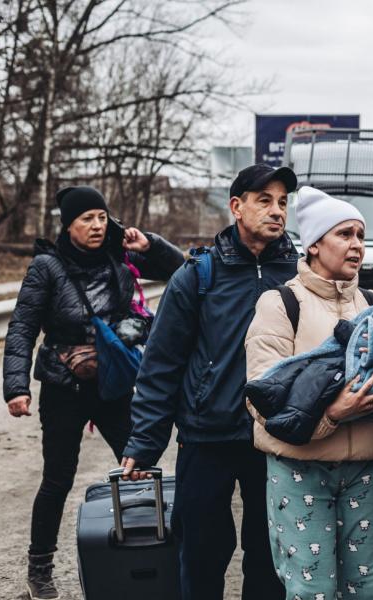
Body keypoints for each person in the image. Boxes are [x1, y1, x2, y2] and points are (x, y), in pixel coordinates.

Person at [120, 164, 299, 600]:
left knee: (270, 558)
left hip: (273, 438)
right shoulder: (198, 276)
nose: (276, 211)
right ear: (236, 207)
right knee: (201, 556)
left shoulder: (299, 274)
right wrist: (145, 442)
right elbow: (162, 364)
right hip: (206, 437)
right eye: (264, 201)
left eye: (282, 203)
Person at [2, 185, 184, 600]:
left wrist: (149, 243)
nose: (98, 226)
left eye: (102, 217)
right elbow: (22, 327)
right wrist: (17, 386)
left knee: (141, 464)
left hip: (114, 382)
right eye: (88, 219)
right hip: (63, 387)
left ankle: (150, 553)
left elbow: (181, 269)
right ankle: (40, 571)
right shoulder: (46, 268)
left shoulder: (120, 254)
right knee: (57, 479)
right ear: (68, 225)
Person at [244, 186, 373, 600]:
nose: (357, 246)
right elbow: (260, 397)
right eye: (344, 234)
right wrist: (333, 414)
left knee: (368, 588)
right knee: (313, 589)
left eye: (360, 236)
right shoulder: (280, 304)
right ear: (313, 244)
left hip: (367, 469)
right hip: (300, 470)